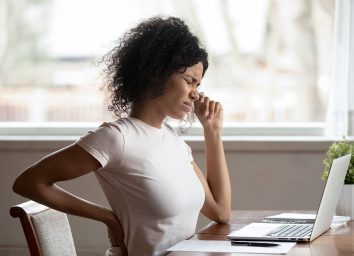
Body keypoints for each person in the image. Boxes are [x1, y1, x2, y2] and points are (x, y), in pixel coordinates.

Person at [12, 16, 231, 256]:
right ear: (157, 72)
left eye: (198, 86)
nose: (196, 95)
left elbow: (220, 211)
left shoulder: (174, 141)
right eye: (190, 81)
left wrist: (212, 131)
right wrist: (108, 217)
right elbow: (29, 183)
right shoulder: (117, 138)